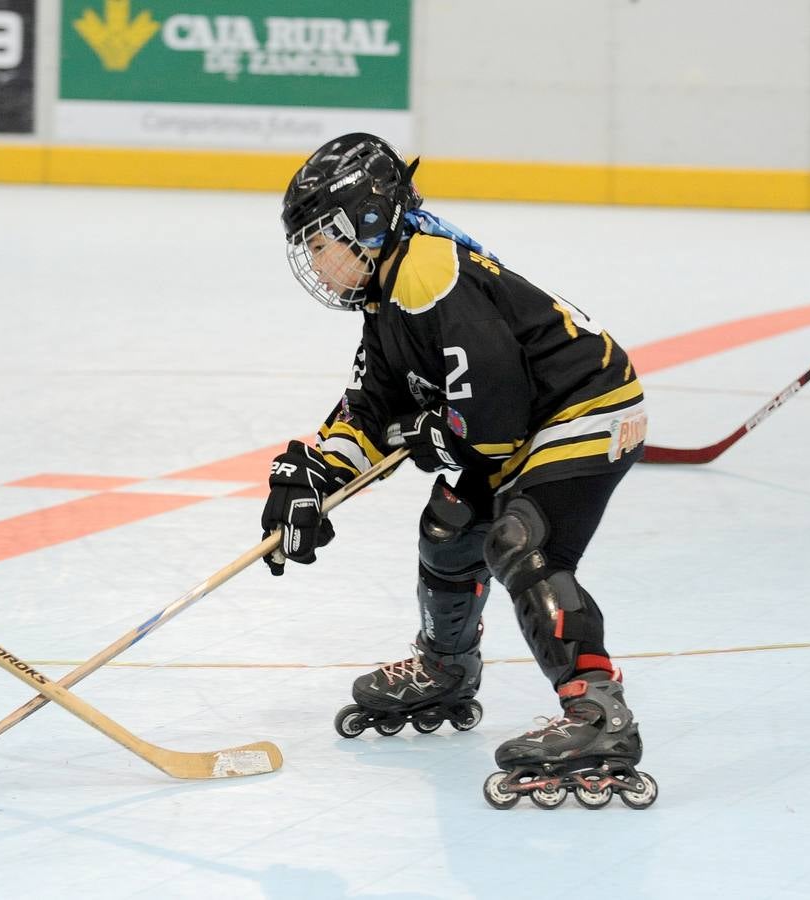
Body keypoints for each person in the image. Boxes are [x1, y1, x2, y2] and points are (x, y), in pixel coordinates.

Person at [259, 134, 658, 810]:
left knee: (518, 542)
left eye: (321, 240)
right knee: (448, 533)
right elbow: (372, 409)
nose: (316, 263)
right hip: (526, 424)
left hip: (588, 408)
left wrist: (426, 437)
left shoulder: (428, 271)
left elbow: (492, 428)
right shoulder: (388, 294)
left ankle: (598, 714)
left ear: (368, 220)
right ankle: (447, 669)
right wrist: (310, 481)